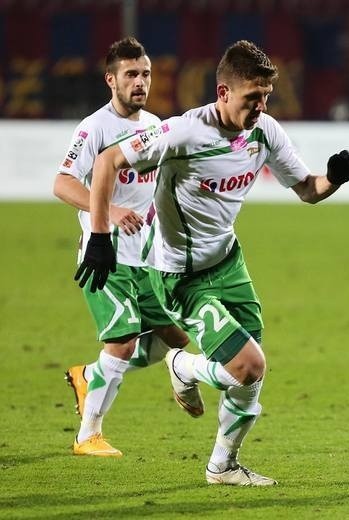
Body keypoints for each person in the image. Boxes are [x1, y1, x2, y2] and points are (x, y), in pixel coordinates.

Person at [74, 40, 349, 486]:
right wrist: (99, 234)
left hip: (229, 263)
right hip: (180, 275)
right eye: (252, 98)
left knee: (249, 375)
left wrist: (335, 179)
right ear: (223, 92)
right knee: (248, 365)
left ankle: (222, 466)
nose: (261, 106)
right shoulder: (182, 133)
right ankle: (181, 366)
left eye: (265, 97)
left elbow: (308, 189)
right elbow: (108, 161)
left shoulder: (264, 131)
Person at [54, 37, 202, 458]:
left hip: (148, 257)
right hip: (106, 255)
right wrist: (111, 212)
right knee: (121, 342)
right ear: (111, 80)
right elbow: (62, 183)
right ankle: (88, 435)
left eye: (146, 74)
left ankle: (91, 375)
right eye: (131, 74)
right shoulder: (94, 128)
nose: (140, 82)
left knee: (175, 340)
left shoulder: (155, 127)